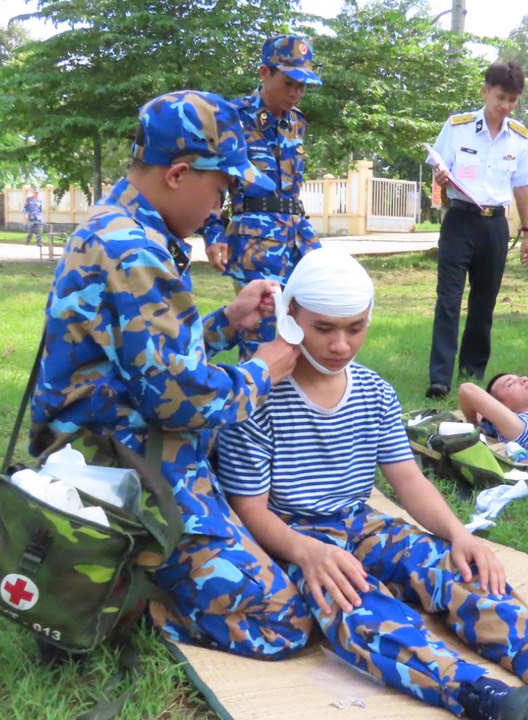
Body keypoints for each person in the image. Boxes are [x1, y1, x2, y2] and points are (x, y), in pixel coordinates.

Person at [219, 248, 528, 720]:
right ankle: (484, 696)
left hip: (361, 523)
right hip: (295, 537)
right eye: (323, 328)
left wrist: (458, 534)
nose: (341, 344)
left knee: (458, 568)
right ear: (290, 317)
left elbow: (408, 479)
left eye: (356, 327)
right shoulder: (257, 396)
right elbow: (250, 507)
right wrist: (307, 553)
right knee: (356, 606)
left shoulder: (374, 391)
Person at [28, 90, 314, 662]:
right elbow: (180, 403)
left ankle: (142, 572)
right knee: (282, 615)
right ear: (179, 174)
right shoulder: (133, 250)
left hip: (115, 440)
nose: (221, 205)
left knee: (279, 518)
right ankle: (130, 598)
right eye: (221, 188)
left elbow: (144, 357)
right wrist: (264, 369)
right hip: (123, 465)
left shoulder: (120, 225)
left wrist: (227, 323)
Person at [202, 35, 323, 362]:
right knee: (263, 329)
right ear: (264, 73)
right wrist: (213, 234)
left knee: (318, 313)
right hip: (256, 240)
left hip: (298, 234)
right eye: (289, 83)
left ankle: (303, 389)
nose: (295, 92)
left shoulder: (297, 122)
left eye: (302, 86)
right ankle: (255, 390)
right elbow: (215, 182)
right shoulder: (233, 117)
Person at [426, 60, 528, 400]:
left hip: (494, 226)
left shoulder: (519, 138)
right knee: (448, 299)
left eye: (512, 100)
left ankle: (471, 374)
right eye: (500, 97)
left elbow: (522, 187)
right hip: (459, 220)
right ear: (485, 92)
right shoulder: (457, 127)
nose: (505, 106)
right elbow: (438, 170)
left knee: (484, 303)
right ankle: (440, 378)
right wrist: (440, 180)